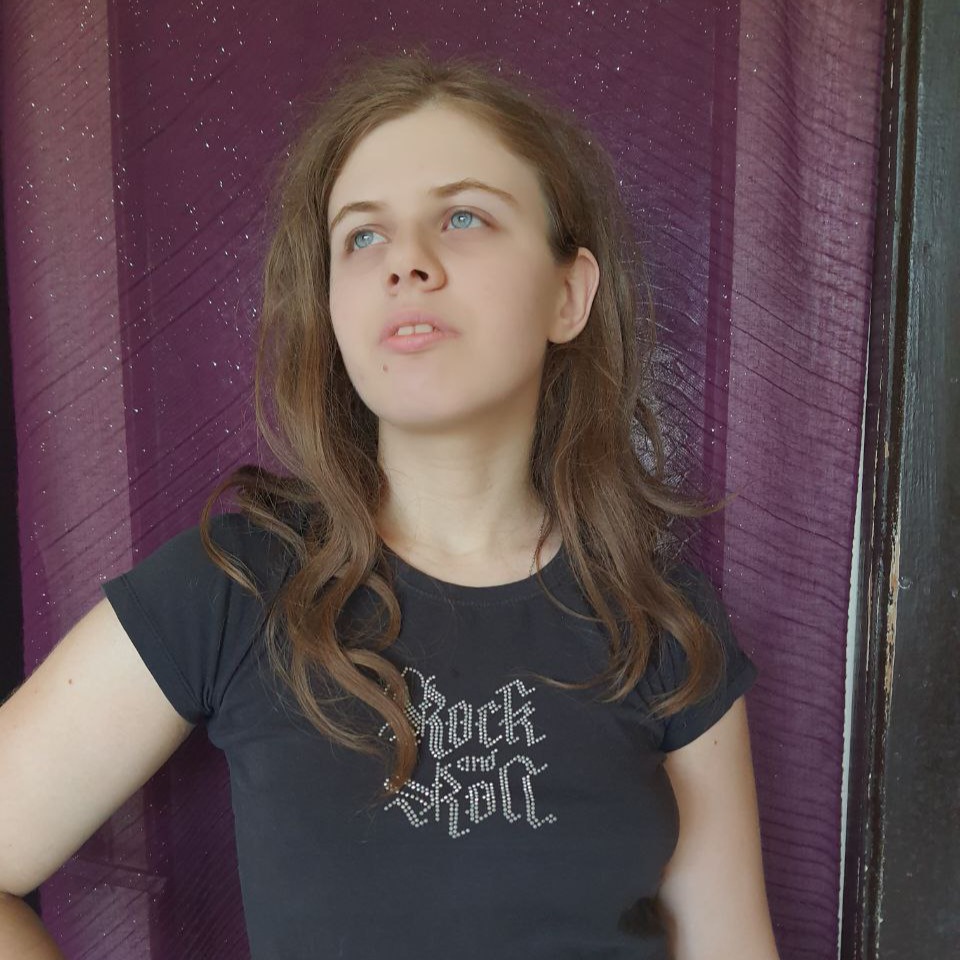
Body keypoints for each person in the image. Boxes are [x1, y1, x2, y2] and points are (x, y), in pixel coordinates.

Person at [0, 48, 780, 960]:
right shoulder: (237, 587)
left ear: (568, 295)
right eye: (363, 236)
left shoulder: (666, 624)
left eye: (463, 216)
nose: (407, 262)